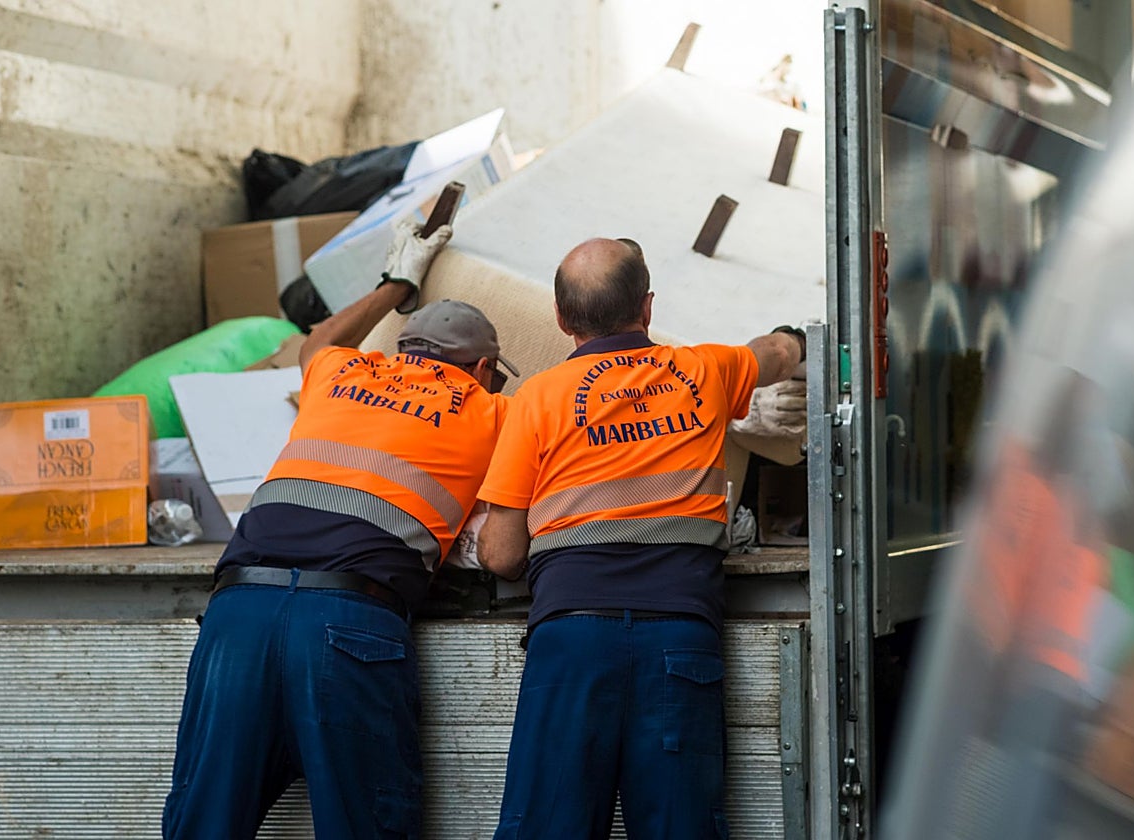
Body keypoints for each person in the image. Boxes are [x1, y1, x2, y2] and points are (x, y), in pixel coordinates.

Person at [162, 220, 519, 840]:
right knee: (367, 823)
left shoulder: (338, 376)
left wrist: (394, 285)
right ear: (484, 367)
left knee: (205, 821)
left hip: (239, 613)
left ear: (404, 348)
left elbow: (319, 340)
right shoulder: (492, 409)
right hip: (349, 621)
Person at [476, 236, 805, 839]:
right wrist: (797, 340)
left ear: (560, 318)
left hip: (571, 642)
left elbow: (501, 555)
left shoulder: (537, 399)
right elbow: (773, 353)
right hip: (680, 637)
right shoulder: (706, 369)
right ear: (647, 308)